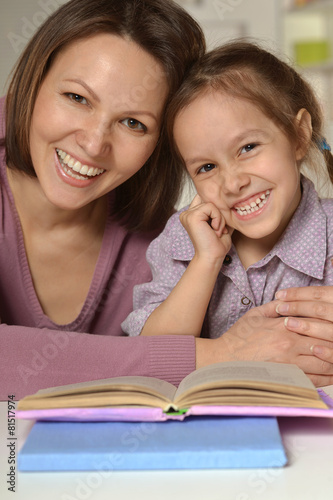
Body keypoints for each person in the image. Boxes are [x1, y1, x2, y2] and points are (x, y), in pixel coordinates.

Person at [0, 0, 208, 400]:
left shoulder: (165, 245)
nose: (94, 144)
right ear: (33, 81)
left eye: (133, 123)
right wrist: (211, 356)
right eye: (77, 98)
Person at [123, 41, 333, 386]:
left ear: (299, 135)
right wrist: (205, 261)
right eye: (206, 167)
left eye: (248, 148)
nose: (232, 183)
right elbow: (152, 356)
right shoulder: (182, 240)